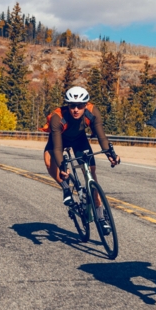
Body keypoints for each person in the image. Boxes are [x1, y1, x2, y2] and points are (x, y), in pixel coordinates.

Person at [42, 86, 120, 230]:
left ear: (86, 105)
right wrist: (62, 167)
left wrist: (110, 154)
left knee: (91, 172)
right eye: (72, 106)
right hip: (59, 140)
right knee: (48, 161)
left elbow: (102, 137)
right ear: (67, 105)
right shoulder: (57, 118)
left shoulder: (92, 112)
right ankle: (66, 188)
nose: (76, 110)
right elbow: (58, 148)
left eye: (80, 106)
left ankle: (101, 216)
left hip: (79, 140)